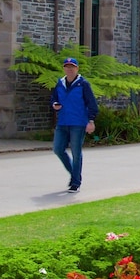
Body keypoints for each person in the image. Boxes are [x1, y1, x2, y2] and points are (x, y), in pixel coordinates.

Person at [51, 57, 99, 193]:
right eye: (67, 67)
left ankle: (75, 183)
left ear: (77, 69)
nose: (69, 69)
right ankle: (75, 174)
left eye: (72, 67)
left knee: (76, 152)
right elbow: (54, 98)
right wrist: (54, 104)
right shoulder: (60, 83)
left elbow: (92, 104)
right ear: (64, 69)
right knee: (58, 149)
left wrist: (91, 121)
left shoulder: (83, 84)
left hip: (78, 123)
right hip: (63, 122)